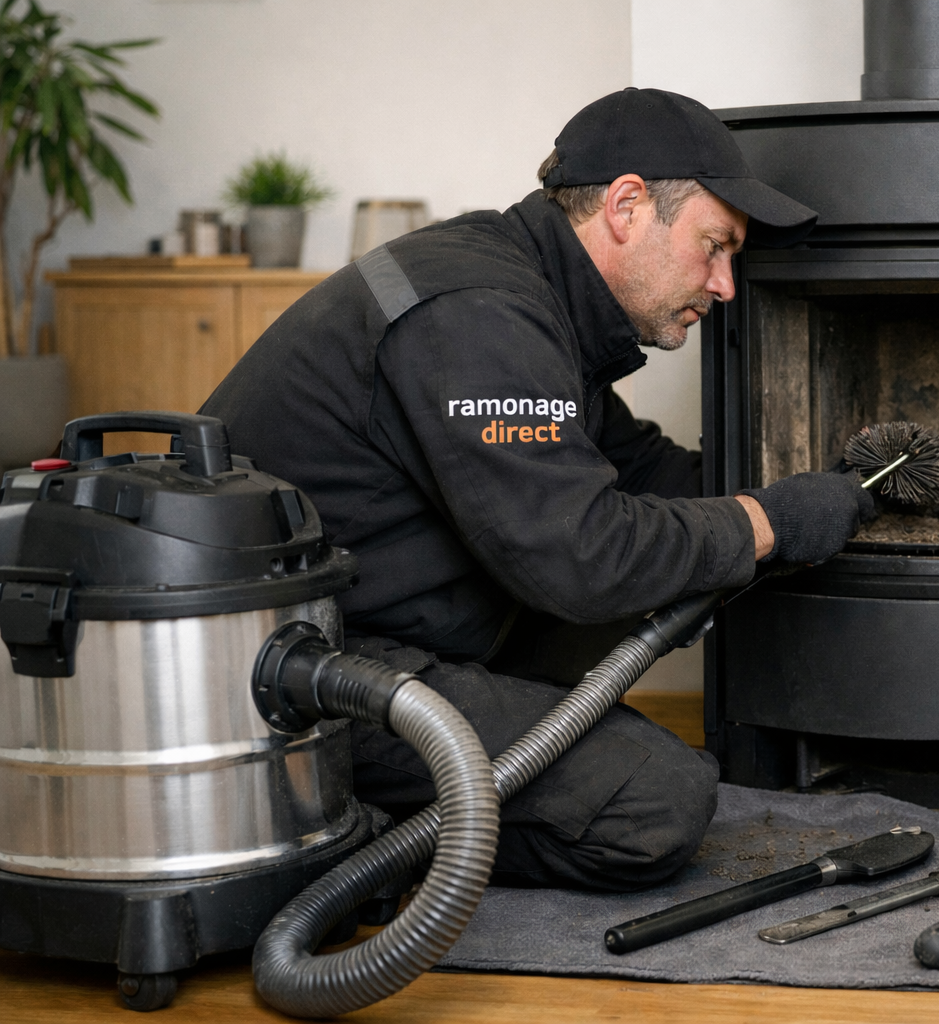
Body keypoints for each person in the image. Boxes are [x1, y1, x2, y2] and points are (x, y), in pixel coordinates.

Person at [201, 88, 875, 890]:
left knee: (671, 575)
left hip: (375, 623)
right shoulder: (479, 313)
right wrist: (767, 523)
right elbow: (582, 558)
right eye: (714, 247)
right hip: (294, 682)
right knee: (655, 803)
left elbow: (647, 474)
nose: (725, 285)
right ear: (627, 207)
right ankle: (342, 838)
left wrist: (832, 490)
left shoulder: (532, 293)